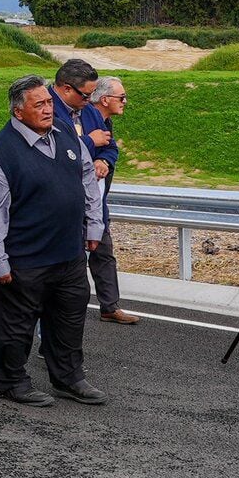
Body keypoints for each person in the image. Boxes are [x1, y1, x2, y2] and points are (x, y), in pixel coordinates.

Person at [0, 76, 108, 408]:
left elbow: (88, 179)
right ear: (19, 112)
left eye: (48, 102)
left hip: (68, 254)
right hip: (24, 260)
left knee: (69, 319)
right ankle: (11, 381)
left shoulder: (65, 134)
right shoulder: (2, 154)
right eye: (39, 105)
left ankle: (68, 377)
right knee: (15, 328)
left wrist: (94, 228)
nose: (48, 109)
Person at [81, 77, 137, 325]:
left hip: (97, 202)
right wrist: (92, 152)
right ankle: (69, 309)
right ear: (105, 100)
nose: (125, 102)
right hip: (78, 203)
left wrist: (104, 161)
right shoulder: (85, 118)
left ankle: (109, 306)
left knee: (104, 252)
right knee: (75, 260)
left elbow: (111, 149)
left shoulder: (106, 122)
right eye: (121, 97)